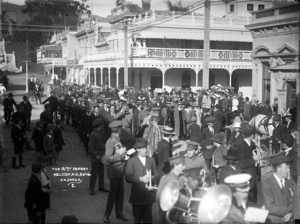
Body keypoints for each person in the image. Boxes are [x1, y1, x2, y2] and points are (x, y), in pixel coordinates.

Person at [125, 138, 159, 224]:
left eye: (146, 148)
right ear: (137, 150)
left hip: (148, 196)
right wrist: (140, 179)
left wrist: (152, 178)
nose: (145, 150)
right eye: (143, 149)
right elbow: (128, 178)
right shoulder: (131, 161)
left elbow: (157, 173)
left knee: (148, 219)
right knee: (137, 219)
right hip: (137, 196)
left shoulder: (151, 160)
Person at [103, 120, 128, 223]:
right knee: (112, 195)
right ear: (118, 130)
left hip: (119, 171)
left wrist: (125, 155)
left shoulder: (117, 140)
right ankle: (106, 215)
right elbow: (107, 159)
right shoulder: (111, 142)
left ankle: (119, 213)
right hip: (114, 172)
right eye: (121, 128)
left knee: (120, 194)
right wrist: (120, 154)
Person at [261, 153, 294, 223]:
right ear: (278, 168)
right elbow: (270, 207)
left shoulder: (289, 182)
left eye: (289, 168)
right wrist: (290, 210)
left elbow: (294, 201)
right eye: (286, 168)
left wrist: (291, 213)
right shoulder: (267, 183)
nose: (288, 170)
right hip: (274, 219)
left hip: (290, 217)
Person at [236, 123, 260, 204]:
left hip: (252, 178)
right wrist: (254, 159)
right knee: (249, 202)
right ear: (252, 135)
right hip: (247, 179)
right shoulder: (242, 146)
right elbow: (242, 163)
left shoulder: (251, 145)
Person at [88, 118, 109, 195]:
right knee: (94, 173)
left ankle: (101, 186)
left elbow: (100, 143)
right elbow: (90, 147)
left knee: (101, 172)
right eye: (102, 125)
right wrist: (96, 155)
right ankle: (91, 189)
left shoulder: (99, 133)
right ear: (99, 126)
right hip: (96, 156)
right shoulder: (93, 134)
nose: (103, 126)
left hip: (101, 155)